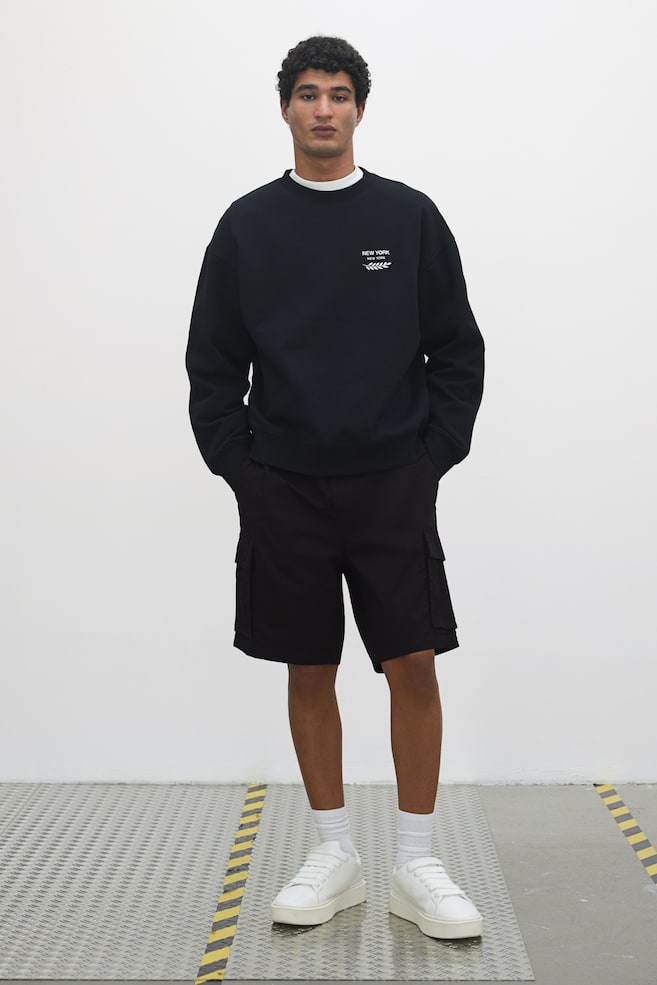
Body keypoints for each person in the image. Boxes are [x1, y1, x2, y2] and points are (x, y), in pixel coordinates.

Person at [185, 35, 485, 940]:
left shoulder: (408, 216)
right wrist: (245, 472)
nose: (324, 109)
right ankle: (333, 853)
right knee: (307, 665)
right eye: (309, 93)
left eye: (340, 93)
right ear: (285, 107)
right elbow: (211, 365)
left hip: (391, 483)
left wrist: (429, 457)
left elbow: (456, 349)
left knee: (413, 664)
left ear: (359, 108)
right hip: (284, 488)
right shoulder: (247, 225)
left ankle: (417, 860)